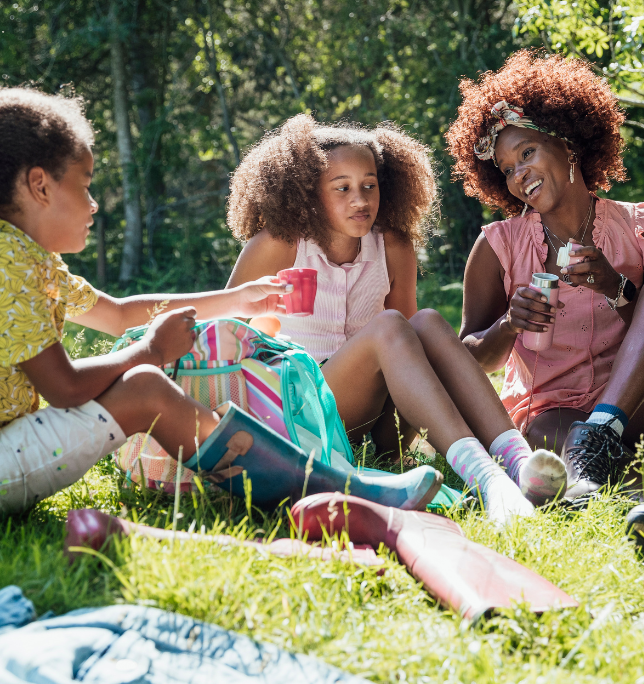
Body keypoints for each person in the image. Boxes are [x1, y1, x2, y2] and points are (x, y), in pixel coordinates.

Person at [0, 87, 447, 516]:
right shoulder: (10, 263)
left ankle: (304, 479)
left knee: (145, 386)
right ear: (39, 186)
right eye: (85, 186)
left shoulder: (32, 259)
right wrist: (151, 351)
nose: (95, 205)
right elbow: (64, 387)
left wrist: (236, 299)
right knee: (145, 385)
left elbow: (117, 314)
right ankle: (322, 486)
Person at [225, 114, 566, 524]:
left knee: (423, 322)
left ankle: (518, 461)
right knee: (390, 326)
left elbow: (411, 343)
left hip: (377, 422)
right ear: (309, 194)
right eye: (343, 188)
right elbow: (224, 337)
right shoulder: (279, 246)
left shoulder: (392, 246)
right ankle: (488, 479)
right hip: (299, 419)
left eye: (370, 185)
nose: (361, 199)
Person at [447, 50, 644, 502]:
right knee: (547, 430)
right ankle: (633, 490)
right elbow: (469, 357)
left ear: (568, 145)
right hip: (556, 413)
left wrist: (614, 286)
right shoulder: (496, 247)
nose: (519, 175)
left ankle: (601, 437)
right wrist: (510, 324)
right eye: (506, 170)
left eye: (527, 153)